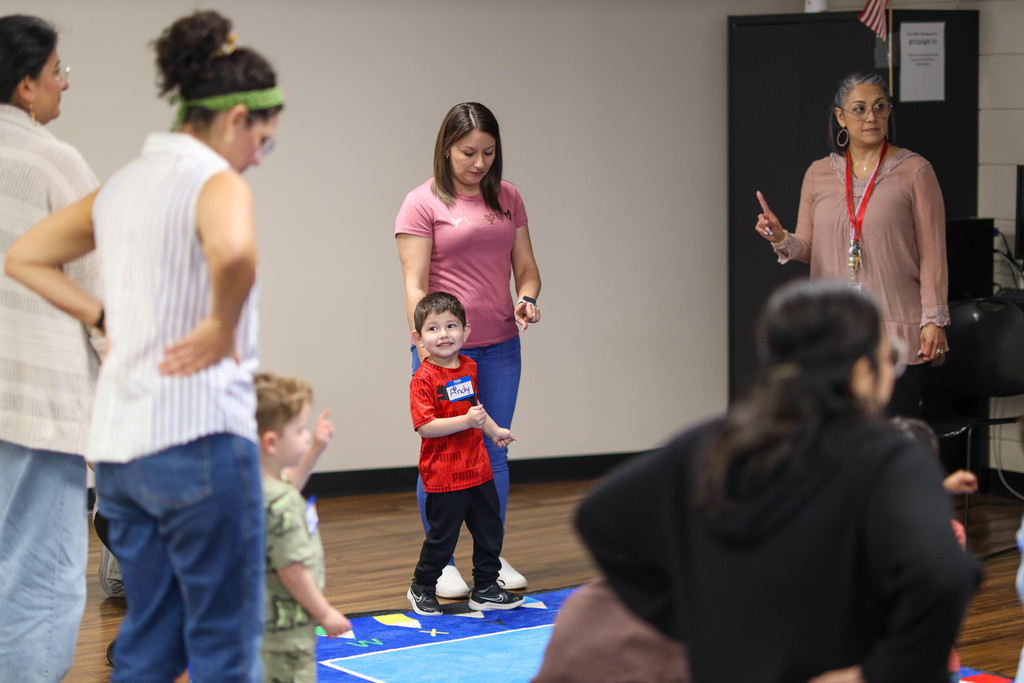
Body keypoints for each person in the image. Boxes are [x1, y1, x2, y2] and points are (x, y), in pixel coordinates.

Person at [5, 9, 283, 681]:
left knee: (149, 644)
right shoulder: (216, 181)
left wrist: (101, 315)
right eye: (264, 141)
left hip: (124, 456)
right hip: (200, 444)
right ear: (239, 115)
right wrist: (220, 324)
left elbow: (25, 256)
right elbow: (236, 251)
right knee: (225, 644)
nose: (259, 155)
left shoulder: (124, 183)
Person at [576, 280, 980, 683]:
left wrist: (691, 621)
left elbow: (601, 518)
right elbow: (944, 575)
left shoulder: (710, 445)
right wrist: (874, 675)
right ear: (860, 374)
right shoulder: (889, 456)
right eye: (889, 359)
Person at [396, 102, 541, 597]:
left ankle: (489, 560)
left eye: (488, 152)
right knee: (444, 450)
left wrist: (526, 300)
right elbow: (414, 286)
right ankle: (441, 564)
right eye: (467, 153)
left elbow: (527, 268)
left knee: (493, 453)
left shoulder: (508, 198)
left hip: (500, 345)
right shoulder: (422, 203)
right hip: (445, 355)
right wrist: (428, 346)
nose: (478, 163)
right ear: (446, 148)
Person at [0, 14, 101, 682]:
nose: (65, 85)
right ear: (26, 86)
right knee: (38, 574)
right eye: (58, 71)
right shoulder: (49, 157)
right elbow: (102, 282)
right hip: (34, 398)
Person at [754, 72, 949, 417]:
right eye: (859, 109)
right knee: (837, 441)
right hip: (833, 334)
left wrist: (933, 319)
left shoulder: (916, 171)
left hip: (895, 331)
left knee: (889, 438)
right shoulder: (818, 173)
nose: (871, 117)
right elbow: (808, 246)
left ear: (889, 112)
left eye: (879, 107)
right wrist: (779, 237)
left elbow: (934, 252)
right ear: (840, 116)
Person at [405, 291, 525, 616]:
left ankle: (486, 587)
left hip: (479, 470)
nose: (443, 334)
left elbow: (476, 410)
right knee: (442, 538)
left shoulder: (469, 366)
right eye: (433, 329)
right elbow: (426, 426)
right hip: (444, 477)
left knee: (490, 530)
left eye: (451, 326)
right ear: (419, 338)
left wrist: (494, 430)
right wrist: (465, 421)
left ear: (466, 332)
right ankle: (422, 586)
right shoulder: (423, 379)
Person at [255, 372, 350, 682]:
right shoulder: (282, 505)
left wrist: (315, 449)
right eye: (299, 431)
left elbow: (289, 482)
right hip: (286, 634)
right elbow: (291, 570)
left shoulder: (255, 486)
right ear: (271, 442)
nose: (306, 436)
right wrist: (324, 613)